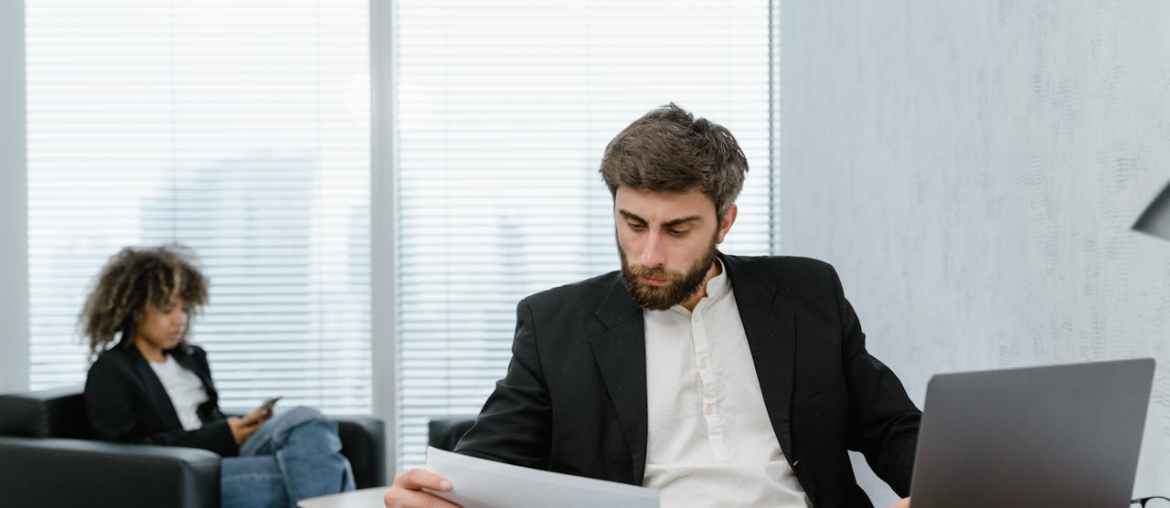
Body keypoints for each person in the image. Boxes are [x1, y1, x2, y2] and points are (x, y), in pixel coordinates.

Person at [385, 104, 921, 508]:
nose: (649, 253)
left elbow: (892, 428)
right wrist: (434, 496)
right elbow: (488, 466)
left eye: (678, 229)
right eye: (633, 224)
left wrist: (948, 489)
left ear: (725, 221)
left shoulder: (806, 293)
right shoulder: (557, 326)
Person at [81, 244, 356, 508]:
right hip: (182, 476)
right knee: (331, 469)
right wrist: (223, 434)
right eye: (167, 310)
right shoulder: (112, 370)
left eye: (184, 309)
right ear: (134, 311)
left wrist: (241, 425)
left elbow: (206, 417)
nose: (180, 319)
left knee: (306, 419)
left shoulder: (191, 357)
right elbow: (126, 455)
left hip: (223, 455)